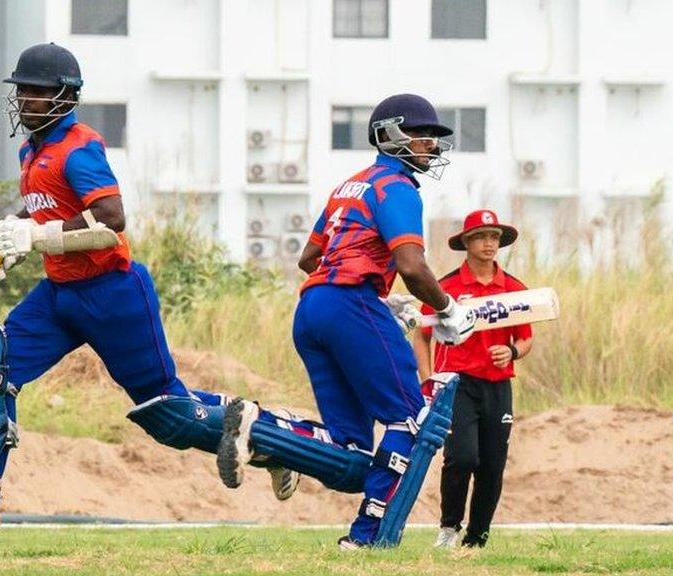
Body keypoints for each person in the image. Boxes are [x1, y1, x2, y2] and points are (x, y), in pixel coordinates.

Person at [0, 42, 298, 544]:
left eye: (35, 90)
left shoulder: (80, 147)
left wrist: (39, 235)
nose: (24, 99)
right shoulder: (30, 152)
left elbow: (112, 218)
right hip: (59, 294)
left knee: (167, 413)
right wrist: (14, 229)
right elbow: (49, 211)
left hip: (112, 292)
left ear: (65, 96)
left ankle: (277, 438)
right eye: (21, 90)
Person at [216, 94, 478, 549]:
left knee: (351, 452)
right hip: (348, 305)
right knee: (410, 421)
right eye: (422, 135)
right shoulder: (396, 187)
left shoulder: (349, 185)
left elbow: (309, 259)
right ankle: (365, 539)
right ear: (390, 134)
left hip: (313, 308)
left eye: (434, 138)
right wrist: (448, 309)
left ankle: (268, 432)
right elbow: (412, 265)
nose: (431, 146)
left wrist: (380, 298)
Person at [415, 209, 533, 549]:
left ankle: (477, 537)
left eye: (494, 237)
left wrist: (512, 353)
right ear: (466, 242)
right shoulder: (445, 288)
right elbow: (422, 336)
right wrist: (429, 381)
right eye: (481, 236)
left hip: (498, 386)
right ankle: (449, 528)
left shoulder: (513, 289)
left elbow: (525, 338)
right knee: (462, 457)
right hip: (457, 385)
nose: (489, 243)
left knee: (492, 464)